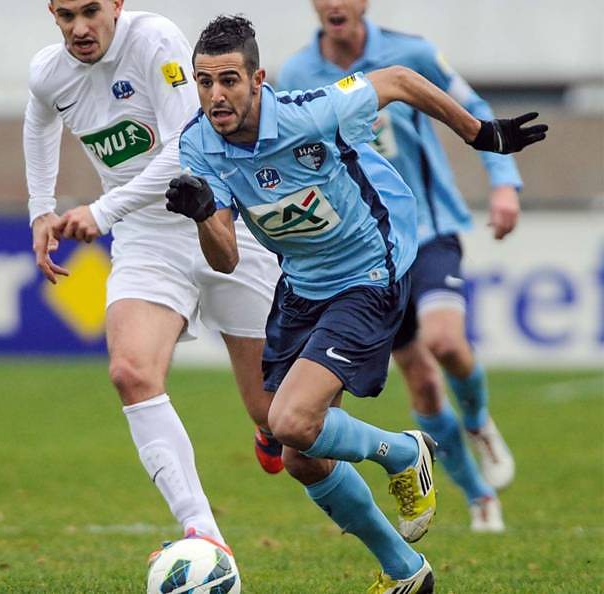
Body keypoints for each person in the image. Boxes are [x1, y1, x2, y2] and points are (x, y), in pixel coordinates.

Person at [168, 15, 545, 592]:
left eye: (229, 81)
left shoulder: (309, 111)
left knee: (290, 419)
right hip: (301, 283)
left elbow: (396, 78)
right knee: (300, 452)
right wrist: (200, 213)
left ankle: (403, 451)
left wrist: (478, 134)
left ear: (257, 79)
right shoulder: (198, 143)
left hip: (371, 269)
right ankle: (406, 570)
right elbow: (224, 258)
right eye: (203, 82)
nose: (216, 95)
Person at [24, 0, 281, 555]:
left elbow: (185, 151)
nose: (80, 27)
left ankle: (271, 431)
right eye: (66, 15)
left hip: (218, 218)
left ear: (117, 4)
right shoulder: (49, 71)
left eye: (92, 10)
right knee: (130, 371)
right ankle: (203, 532)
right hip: (147, 240)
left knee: (278, 415)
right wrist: (40, 207)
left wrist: (101, 210)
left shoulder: (155, 41)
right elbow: (39, 116)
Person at [277, 0, 518, 533]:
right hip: (366, 254)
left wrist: (503, 181)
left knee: (447, 342)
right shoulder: (296, 74)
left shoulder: (411, 54)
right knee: (424, 386)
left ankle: (478, 421)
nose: (334, 4)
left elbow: (471, 105)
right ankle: (477, 494)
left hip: (428, 229)